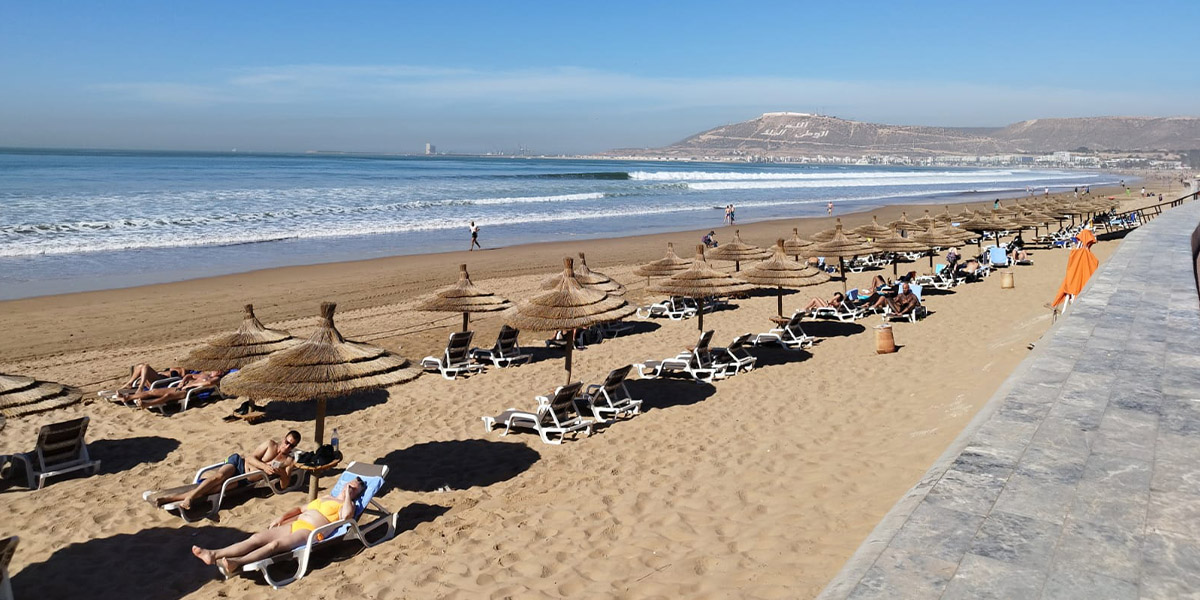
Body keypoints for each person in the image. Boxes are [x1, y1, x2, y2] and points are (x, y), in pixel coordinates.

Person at [192, 476, 367, 575]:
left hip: (310, 532)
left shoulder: (349, 505)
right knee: (256, 538)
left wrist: (349, 496)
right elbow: (300, 508)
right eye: (349, 484)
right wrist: (281, 517)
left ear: (356, 494)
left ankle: (237, 562)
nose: (350, 487)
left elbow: (346, 517)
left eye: (354, 488)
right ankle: (214, 554)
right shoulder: (326, 497)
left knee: (274, 545)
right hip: (296, 523)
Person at [148, 430, 301, 510]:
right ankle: (189, 498)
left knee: (216, 489)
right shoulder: (270, 444)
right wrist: (265, 467)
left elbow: (284, 485)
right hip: (238, 464)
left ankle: (169, 499)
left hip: (244, 480)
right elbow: (250, 458)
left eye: (291, 445)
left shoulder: (288, 461)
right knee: (218, 477)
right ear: (283, 439)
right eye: (287, 442)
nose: (287, 446)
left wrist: (281, 473)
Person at [124, 370, 225, 408]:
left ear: (220, 373)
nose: (216, 370)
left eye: (219, 371)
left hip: (188, 392)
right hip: (181, 387)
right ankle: (128, 397)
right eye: (216, 369)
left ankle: (147, 404)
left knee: (168, 396)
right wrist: (182, 381)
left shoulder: (216, 379)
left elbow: (209, 383)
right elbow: (189, 375)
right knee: (153, 391)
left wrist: (191, 385)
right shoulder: (203, 374)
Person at [120, 363, 185, 394]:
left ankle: (141, 387)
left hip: (161, 382)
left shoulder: (182, 370)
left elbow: (183, 376)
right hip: (155, 380)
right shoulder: (171, 368)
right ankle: (129, 383)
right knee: (141, 366)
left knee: (146, 366)